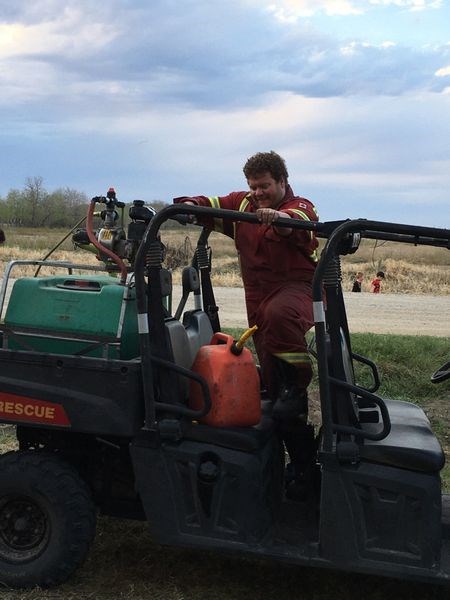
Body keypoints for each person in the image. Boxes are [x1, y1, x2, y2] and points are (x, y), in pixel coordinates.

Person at [174, 151, 319, 499]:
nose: (258, 193)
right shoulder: (242, 207)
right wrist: (190, 205)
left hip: (295, 291)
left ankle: (296, 386)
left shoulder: (301, 206)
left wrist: (279, 219)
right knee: (274, 400)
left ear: (282, 182)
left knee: (279, 319)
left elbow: (298, 222)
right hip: (258, 298)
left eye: (265, 186)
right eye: (253, 186)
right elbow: (210, 203)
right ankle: (300, 470)